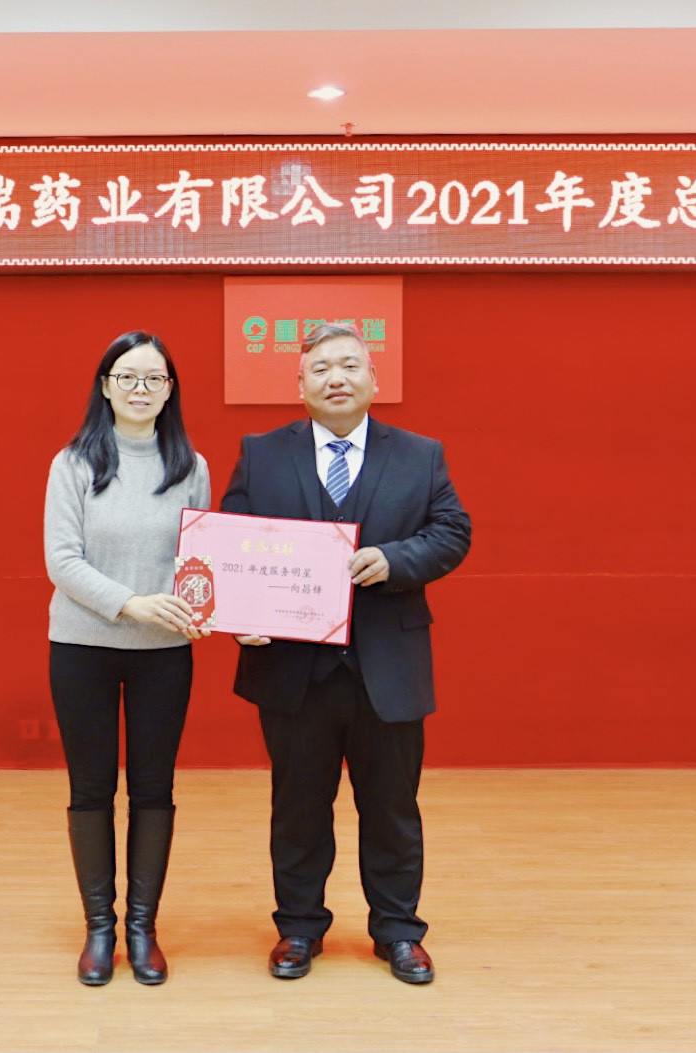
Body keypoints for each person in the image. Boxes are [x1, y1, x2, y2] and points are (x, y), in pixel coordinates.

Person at [220, 321, 470, 985]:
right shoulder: (262, 453)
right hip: (292, 668)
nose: (336, 377)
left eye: (350, 365)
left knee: (392, 808)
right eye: (321, 368)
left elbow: (452, 531)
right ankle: (299, 927)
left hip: (387, 667)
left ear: (374, 379)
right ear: (300, 384)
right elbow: (232, 543)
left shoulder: (420, 455)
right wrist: (238, 614)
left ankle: (399, 931)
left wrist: (395, 560)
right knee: (298, 808)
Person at [43, 330, 210, 987]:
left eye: (154, 378)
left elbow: (201, 561)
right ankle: (99, 928)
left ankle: (143, 926)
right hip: (82, 645)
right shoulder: (73, 463)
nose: (141, 389)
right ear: (105, 386)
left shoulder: (190, 465)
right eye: (127, 377)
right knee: (90, 788)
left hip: (164, 652)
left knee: (153, 787)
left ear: (170, 390)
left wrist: (211, 608)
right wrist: (131, 604)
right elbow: (62, 561)